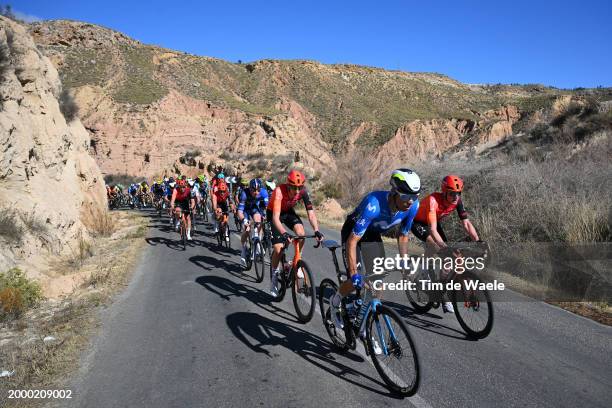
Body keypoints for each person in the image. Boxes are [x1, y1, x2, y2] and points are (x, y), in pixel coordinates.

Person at [331, 168, 421, 330]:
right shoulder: (373, 204)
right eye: (406, 196)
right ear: (394, 192)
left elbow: (403, 235)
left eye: (414, 197)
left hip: (372, 235)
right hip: (354, 234)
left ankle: (364, 325)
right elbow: (352, 241)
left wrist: (404, 262)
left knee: (378, 284)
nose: (410, 201)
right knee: (355, 280)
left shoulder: (412, 206)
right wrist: (353, 273)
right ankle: (335, 301)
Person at [411, 174, 480, 313]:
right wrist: (445, 248)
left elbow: (466, 224)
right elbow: (432, 230)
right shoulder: (433, 201)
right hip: (419, 223)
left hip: (434, 222)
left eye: (458, 193)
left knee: (449, 260)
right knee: (434, 245)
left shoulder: (457, 201)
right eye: (452, 193)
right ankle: (424, 272)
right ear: (444, 191)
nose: (455, 197)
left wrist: (478, 241)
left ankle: (440, 293)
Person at [266, 170, 324, 296]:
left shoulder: (302, 192)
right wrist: (284, 233)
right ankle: (274, 276)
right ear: (288, 185)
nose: (297, 191)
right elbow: (276, 218)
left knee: (301, 233)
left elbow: (311, 213)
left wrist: (316, 230)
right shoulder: (279, 192)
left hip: (287, 212)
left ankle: (296, 260)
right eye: (294, 188)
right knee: (278, 249)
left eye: (300, 187)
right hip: (274, 214)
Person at [238, 178, 269, 267]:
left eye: (258, 190)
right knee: (247, 229)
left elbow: (267, 208)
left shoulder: (263, 192)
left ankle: (257, 240)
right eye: (253, 190)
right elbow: (240, 211)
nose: (256, 192)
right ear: (250, 189)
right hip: (245, 210)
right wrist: (244, 220)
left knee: (259, 222)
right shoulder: (244, 194)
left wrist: (267, 216)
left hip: (255, 208)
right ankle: (243, 251)